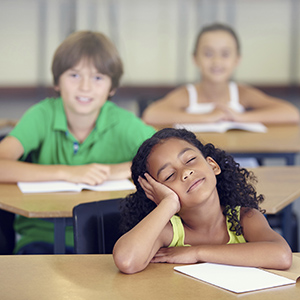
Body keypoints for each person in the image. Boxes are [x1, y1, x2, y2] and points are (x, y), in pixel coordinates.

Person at [0, 31, 155, 254]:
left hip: (109, 239)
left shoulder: (123, 122)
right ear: (57, 82)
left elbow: (170, 156)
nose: (85, 87)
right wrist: (68, 172)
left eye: (98, 77)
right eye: (74, 75)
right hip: (42, 238)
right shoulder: (42, 115)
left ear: (111, 88)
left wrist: (116, 170)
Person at [113, 128, 292, 274]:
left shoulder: (244, 218)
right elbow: (127, 261)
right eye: (169, 175)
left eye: (190, 160)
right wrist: (168, 204)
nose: (185, 172)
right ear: (156, 192)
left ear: (213, 165)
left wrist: (197, 252)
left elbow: (282, 256)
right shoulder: (169, 231)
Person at [142, 23, 299, 126]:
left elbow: (291, 114)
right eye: (208, 53)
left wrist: (240, 118)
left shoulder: (242, 93)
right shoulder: (187, 94)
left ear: (237, 59)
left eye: (225, 54)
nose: (217, 62)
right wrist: (207, 118)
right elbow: (151, 115)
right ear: (195, 58)